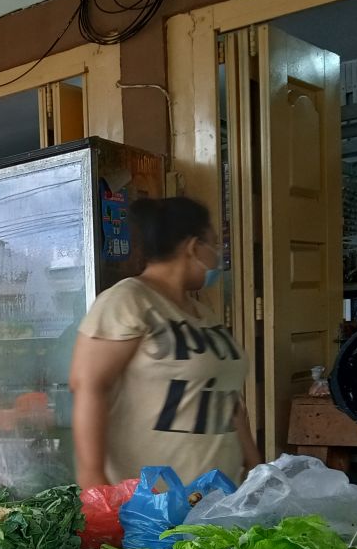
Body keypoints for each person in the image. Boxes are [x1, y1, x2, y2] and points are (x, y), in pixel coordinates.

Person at [69, 197, 260, 489]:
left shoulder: (202, 313)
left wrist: (256, 470)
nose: (217, 256)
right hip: (155, 505)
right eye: (214, 245)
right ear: (194, 247)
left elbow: (228, 399)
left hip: (221, 500)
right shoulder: (128, 300)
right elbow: (88, 386)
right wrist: (94, 483)